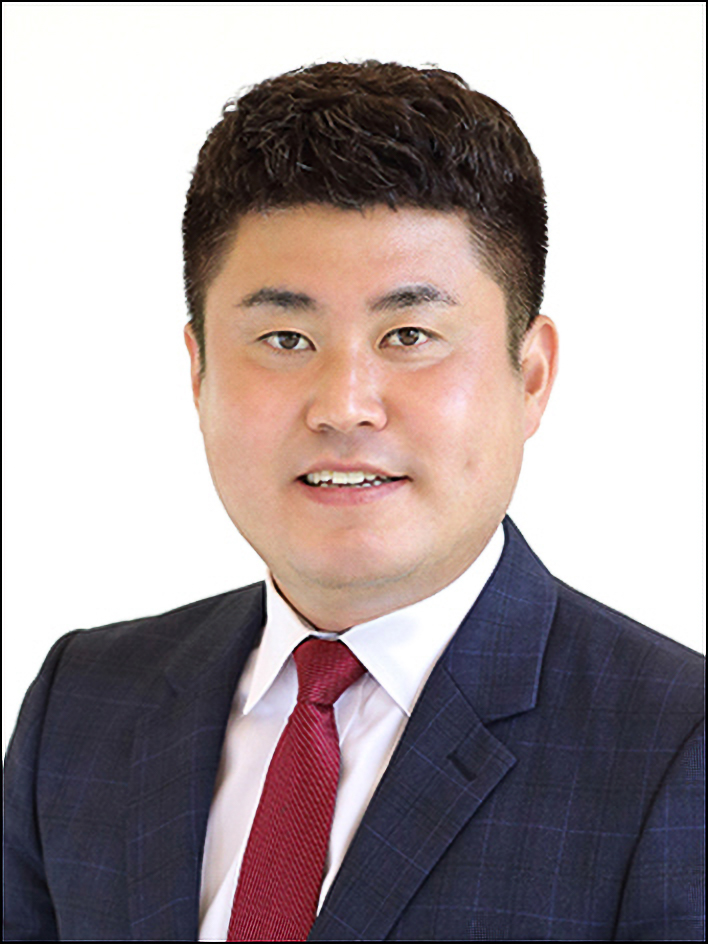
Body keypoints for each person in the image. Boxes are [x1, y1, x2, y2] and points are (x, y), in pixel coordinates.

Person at [3, 60, 704, 943]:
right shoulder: (84, 704)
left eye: (409, 335)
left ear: (530, 376)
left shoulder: (678, 750)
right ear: (198, 372)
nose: (343, 406)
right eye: (285, 338)